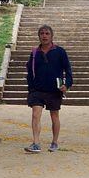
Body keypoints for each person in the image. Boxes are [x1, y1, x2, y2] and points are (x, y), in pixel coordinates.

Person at [24, 25, 73, 153]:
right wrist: (31, 88)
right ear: (38, 36)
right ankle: (36, 143)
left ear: (51, 36)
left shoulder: (60, 52)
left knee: (54, 115)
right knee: (35, 115)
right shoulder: (34, 52)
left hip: (54, 90)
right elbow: (30, 71)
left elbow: (68, 71)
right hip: (37, 90)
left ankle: (55, 142)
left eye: (47, 33)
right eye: (42, 33)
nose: (44, 36)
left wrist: (66, 85)